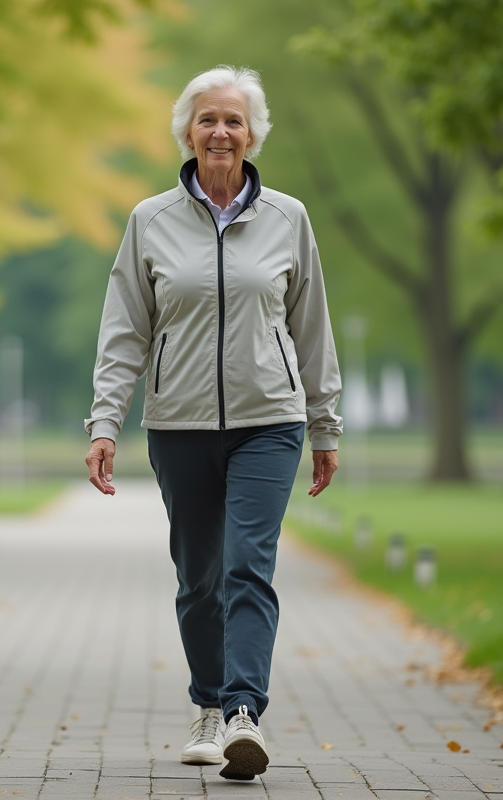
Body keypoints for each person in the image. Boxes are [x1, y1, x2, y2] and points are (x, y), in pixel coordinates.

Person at [83, 65, 343, 782]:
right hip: (180, 424)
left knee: (246, 567)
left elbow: (311, 326)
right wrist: (105, 421)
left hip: (271, 421)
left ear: (252, 133)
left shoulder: (288, 218)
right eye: (207, 119)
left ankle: (241, 714)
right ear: (188, 133)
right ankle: (205, 704)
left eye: (233, 119)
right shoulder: (150, 221)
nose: (221, 131)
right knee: (198, 577)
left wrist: (325, 425)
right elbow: (124, 332)